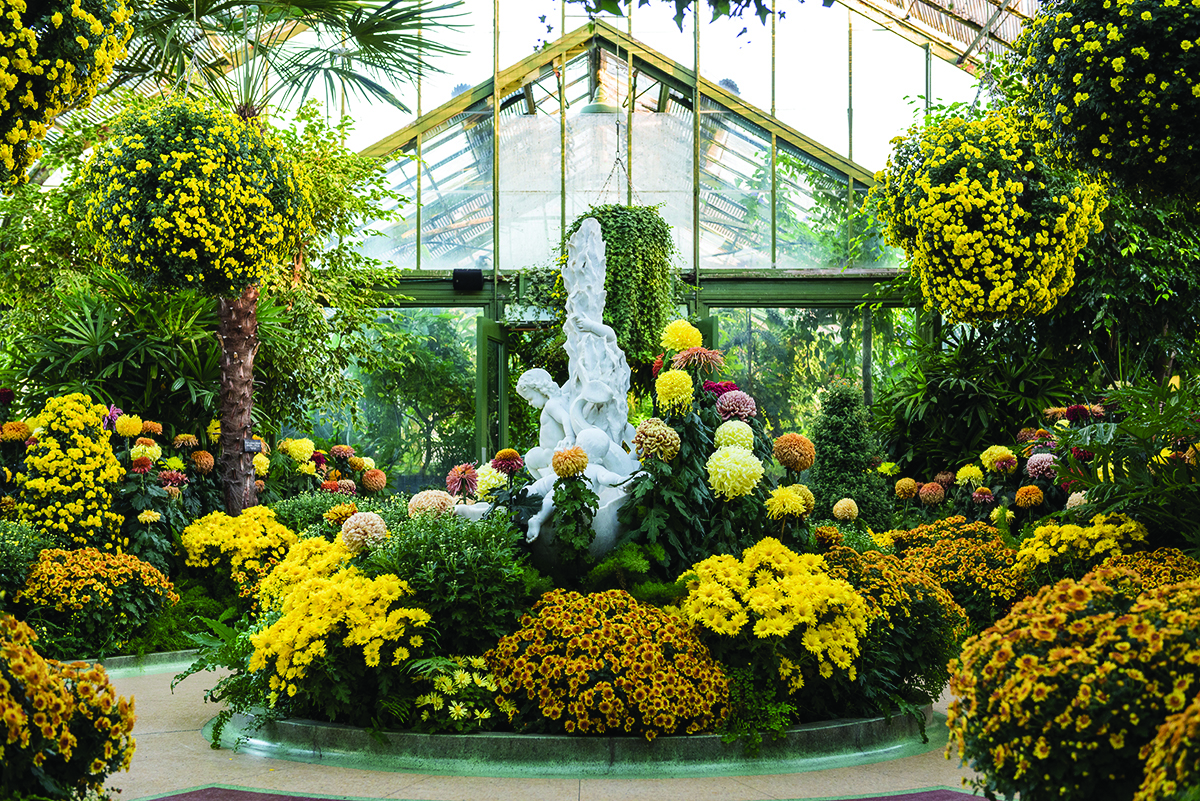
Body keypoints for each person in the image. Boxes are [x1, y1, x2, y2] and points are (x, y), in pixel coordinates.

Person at [515, 368, 573, 481]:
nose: (530, 403)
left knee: (530, 459)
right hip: (549, 453)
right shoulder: (556, 401)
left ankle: (542, 482)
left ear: (540, 390)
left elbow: (565, 418)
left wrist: (570, 436)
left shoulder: (551, 405)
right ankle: (543, 481)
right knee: (531, 457)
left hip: (553, 453)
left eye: (530, 399)